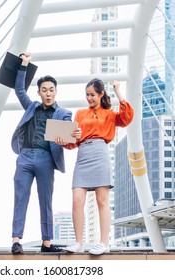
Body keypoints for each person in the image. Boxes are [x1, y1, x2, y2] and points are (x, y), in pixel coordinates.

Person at [10, 51, 78, 254]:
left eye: (51, 90)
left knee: (46, 199)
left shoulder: (63, 113)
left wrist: (70, 135)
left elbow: (69, 133)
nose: (48, 93)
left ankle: (46, 243)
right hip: (25, 156)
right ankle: (16, 240)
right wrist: (24, 64)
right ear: (39, 92)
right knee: (20, 197)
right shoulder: (31, 107)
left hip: (46, 159)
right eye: (44, 90)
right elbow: (18, 89)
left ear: (56, 92)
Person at [57, 78, 133, 255]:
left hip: (100, 153)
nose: (89, 98)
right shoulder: (80, 114)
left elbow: (127, 117)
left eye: (92, 95)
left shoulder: (109, 114)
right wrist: (65, 139)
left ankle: (104, 242)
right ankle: (79, 242)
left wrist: (118, 92)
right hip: (83, 154)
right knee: (76, 199)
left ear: (101, 94)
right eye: (87, 95)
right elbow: (72, 143)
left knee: (102, 200)